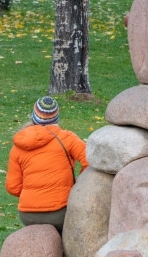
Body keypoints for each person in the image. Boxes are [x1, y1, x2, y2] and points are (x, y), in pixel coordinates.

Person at [5, 97, 88, 231]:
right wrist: (78, 186)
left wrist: (34, 195)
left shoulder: (18, 145)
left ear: (34, 117)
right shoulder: (67, 138)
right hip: (60, 211)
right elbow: (89, 161)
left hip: (27, 214)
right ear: (56, 118)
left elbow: (12, 187)